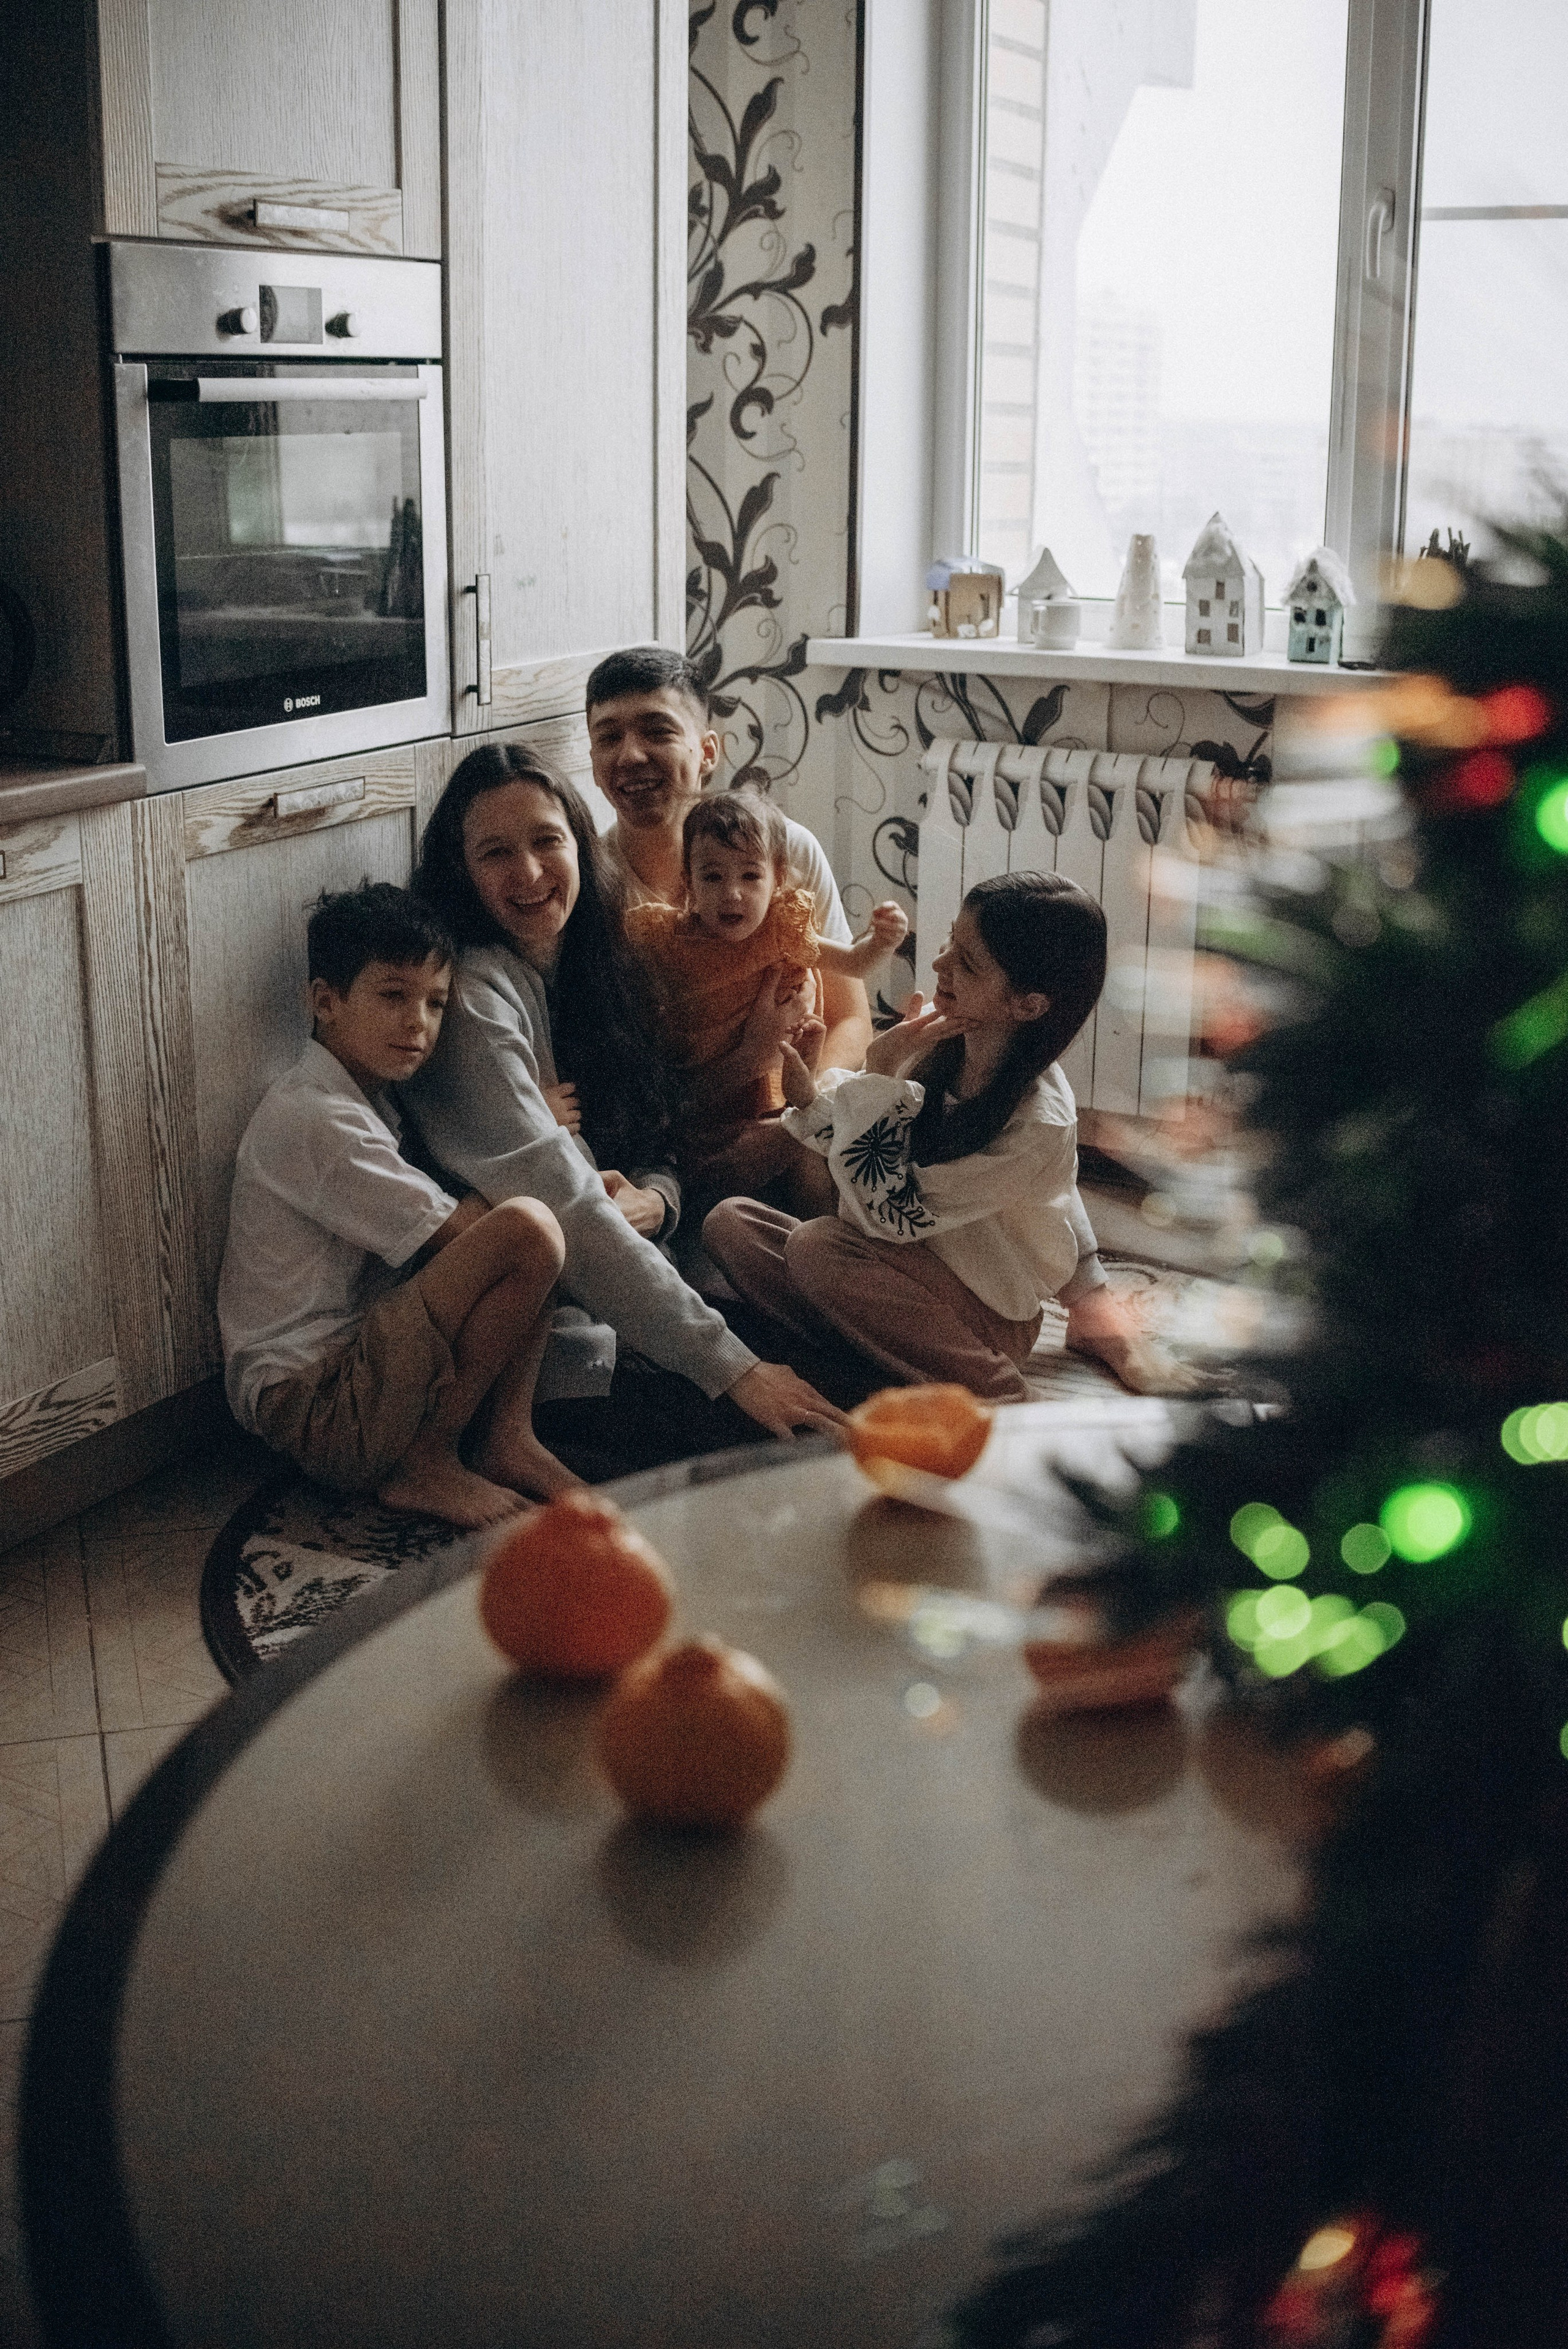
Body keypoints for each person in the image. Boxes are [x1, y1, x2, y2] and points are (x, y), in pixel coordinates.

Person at [403, 743, 845, 1475]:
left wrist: (656, 1201)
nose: (531, 873)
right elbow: (565, 1206)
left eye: (548, 841)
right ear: (459, 870)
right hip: (542, 1346)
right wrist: (733, 1370)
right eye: (495, 853)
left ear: (580, 842)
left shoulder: (593, 954)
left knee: (845, 1381)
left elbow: (653, 1125)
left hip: (630, 1293)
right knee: (793, 1451)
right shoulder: (475, 998)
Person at [704, 871, 1189, 1402]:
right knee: (731, 1225)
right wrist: (812, 1099)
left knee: (819, 1249)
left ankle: (1000, 1391)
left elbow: (887, 1216)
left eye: (968, 962)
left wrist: (880, 1070)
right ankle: (879, 1351)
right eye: (950, 944)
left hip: (985, 1313)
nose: (939, 965)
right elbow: (848, 1133)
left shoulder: (1039, 1119)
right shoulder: (940, 1037)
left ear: (1027, 1005)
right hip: (903, 1269)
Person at [217, 882, 576, 1527]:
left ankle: (507, 1439)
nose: (419, 1023)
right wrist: (536, 1142)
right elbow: (470, 1233)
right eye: (393, 996)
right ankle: (425, 1462)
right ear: (326, 1002)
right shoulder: (315, 1119)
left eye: (435, 1003)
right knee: (527, 1228)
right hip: (316, 1406)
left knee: (526, 1224)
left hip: (349, 1378)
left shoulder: (366, 1101)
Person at [585, 645, 876, 1086]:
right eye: (609, 738)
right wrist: (751, 1059)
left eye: (657, 732)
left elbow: (851, 1020)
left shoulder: (787, 851)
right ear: (592, 763)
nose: (629, 756)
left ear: (707, 752)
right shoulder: (591, 885)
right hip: (685, 1122)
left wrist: (806, 1115)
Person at [625, 788, 908, 1203]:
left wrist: (881, 941)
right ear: (688, 884)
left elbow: (853, 963)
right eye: (712, 876)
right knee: (682, 1171)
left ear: (778, 878)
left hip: (773, 1102)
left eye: (750, 876)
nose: (733, 893)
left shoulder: (781, 933)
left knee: (812, 1169)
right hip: (698, 1100)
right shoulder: (669, 941)